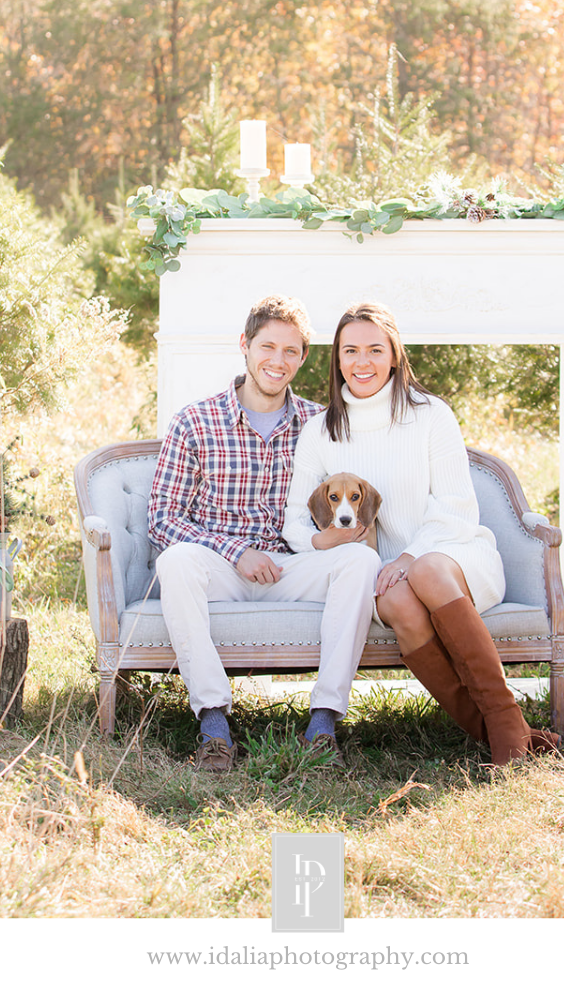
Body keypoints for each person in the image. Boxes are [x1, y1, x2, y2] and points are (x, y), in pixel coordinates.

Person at [284, 301, 558, 764]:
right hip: (386, 579)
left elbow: (455, 507)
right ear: (338, 360)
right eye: (350, 351)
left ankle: (506, 724)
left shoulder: (430, 414)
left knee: (427, 571)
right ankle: (497, 732)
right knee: (393, 601)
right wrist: (321, 540)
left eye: (375, 349)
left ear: (394, 354)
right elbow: (294, 518)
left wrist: (408, 559)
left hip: (452, 556)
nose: (362, 362)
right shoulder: (320, 431)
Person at [149, 294, 382, 773]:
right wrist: (236, 553)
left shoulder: (319, 425)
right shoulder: (195, 422)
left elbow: (354, 490)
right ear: (245, 346)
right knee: (174, 561)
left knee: (361, 561)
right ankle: (214, 725)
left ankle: (322, 724)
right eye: (267, 347)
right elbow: (163, 518)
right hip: (222, 568)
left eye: (291, 351)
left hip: (292, 564)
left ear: (303, 358)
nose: (278, 361)